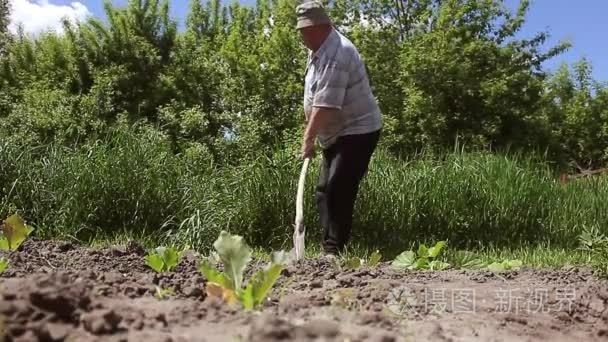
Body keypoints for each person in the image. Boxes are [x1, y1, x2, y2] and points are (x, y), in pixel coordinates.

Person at [296, 1, 382, 257]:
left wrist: (307, 140)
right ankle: (328, 248)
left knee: (338, 187)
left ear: (322, 26)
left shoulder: (338, 53)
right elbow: (313, 97)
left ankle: (333, 250)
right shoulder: (317, 51)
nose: (302, 35)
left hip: (358, 130)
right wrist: (313, 132)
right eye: (300, 29)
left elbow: (326, 105)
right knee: (323, 190)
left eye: (306, 30)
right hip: (334, 133)